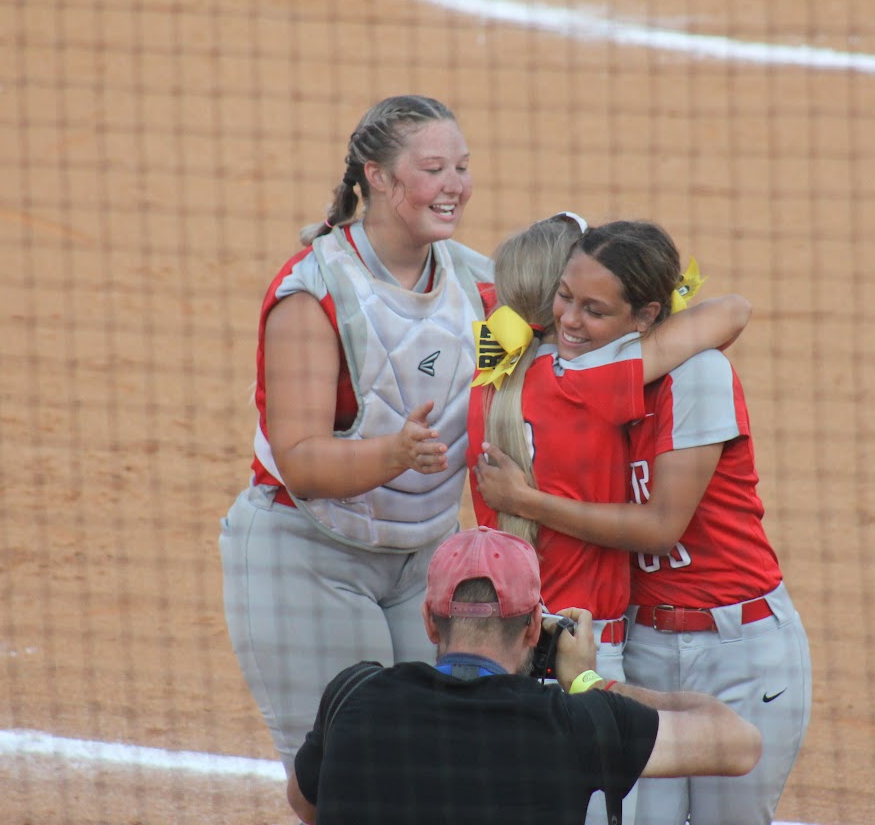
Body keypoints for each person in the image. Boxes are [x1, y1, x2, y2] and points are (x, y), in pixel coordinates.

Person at [475, 261, 811, 824]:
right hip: (643, 646)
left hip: (738, 646)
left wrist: (527, 502)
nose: (572, 323)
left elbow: (661, 527)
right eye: (567, 301)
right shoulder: (584, 386)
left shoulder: (696, 378)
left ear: (647, 316)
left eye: (595, 310)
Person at [220, 95, 495, 774]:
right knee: (345, 779)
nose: (454, 183)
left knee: (443, 769)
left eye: (461, 166)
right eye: (433, 167)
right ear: (377, 175)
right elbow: (303, 462)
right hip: (308, 555)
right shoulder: (313, 292)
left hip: (423, 559)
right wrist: (395, 454)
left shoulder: (480, 282)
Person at [286, 527, 762, 825]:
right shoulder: (575, 725)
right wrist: (590, 683)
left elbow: (308, 804)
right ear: (534, 627)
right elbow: (739, 742)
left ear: (430, 622)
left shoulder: (352, 696)